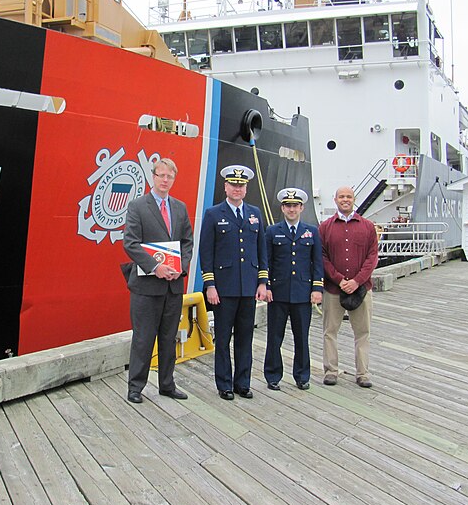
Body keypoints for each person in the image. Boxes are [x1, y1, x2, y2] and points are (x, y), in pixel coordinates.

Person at [123, 158, 194, 404]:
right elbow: (130, 243)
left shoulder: (180, 208)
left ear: (174, 179)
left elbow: (187, 241)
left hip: (172, 286)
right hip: (146, 286)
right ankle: (135, 387)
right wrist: (156, 267)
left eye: (169, 177)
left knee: (168, 337)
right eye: (161, 175)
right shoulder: (137, 206)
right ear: (152, 176)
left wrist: (181, 267)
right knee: (143, 338)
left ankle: (167, 384)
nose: (165, 180)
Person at [199, 165, 268, 401]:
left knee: (245, 337)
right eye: (233, 185)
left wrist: (262, 282)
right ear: (225, 187)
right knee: (223, 338)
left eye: (241, 186)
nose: (237, 189)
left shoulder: (255, 213)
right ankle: (224, 384)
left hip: (248, 287)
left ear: (246, 188)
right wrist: (210, 285)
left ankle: (243, 383)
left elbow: (262, 250)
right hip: (223, 288)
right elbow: (206, 252)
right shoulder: (213, 214)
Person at [319, 186, 379, 388]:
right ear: (335, 199)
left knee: (362, 332)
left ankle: (363, 373)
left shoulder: (367, 227)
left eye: (349, 197)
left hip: (362, 289)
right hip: (334, 289)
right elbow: (322, 256)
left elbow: (372, 257)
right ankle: (331, 371)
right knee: (330, 331)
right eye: (341, 196)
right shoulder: (325, 227)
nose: (345, 200)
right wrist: (338, 279)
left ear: (354, 199)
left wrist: (357, 281)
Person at [263, 188, 323, 390]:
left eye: (295, 206)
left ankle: (302, 376)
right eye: (288, 206)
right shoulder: (272, 231)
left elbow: (317, 263)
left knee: (301, 337)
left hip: (302, 293)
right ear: (282, 208)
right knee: (274, 337)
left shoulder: (311, 231)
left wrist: (317, 288)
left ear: (301, 208)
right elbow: (267, 261)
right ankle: (272, 375)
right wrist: (267, 286)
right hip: (278, 293)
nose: (291, 209)